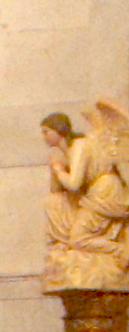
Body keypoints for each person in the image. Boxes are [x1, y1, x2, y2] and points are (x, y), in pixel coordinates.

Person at [42, 106, 129, 257]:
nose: (44, 137)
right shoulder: (67, 151)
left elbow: (74, 184)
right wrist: (55, 169)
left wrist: (58, 170)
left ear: (58, 130)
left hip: (106, 193)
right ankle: (62, 244)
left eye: (46, 131)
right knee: (53, 202)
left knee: (78, 239)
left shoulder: (79, 146)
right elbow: (56, 190)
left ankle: (121, 251)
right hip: (94, 193)